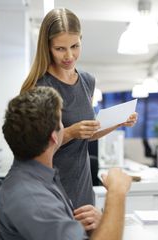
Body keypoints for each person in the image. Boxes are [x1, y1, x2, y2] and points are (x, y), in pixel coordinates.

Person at [20, 8, 137, 230]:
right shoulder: (39, 86)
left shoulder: (86, 81)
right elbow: (34, 148)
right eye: (60, 49)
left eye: (75, 46)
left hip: (81, 182)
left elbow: (88, 134)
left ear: (81, 40)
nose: (69, 56)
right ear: (47, 47)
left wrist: (117, 122)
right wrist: (71, 131)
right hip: (49, 186)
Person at [0, 86, 132, 240]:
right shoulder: (33, 199)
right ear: (54, 137)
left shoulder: (40, 178)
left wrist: (98, 223)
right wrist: (116, 192)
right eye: (61, 122)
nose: (64, 127)